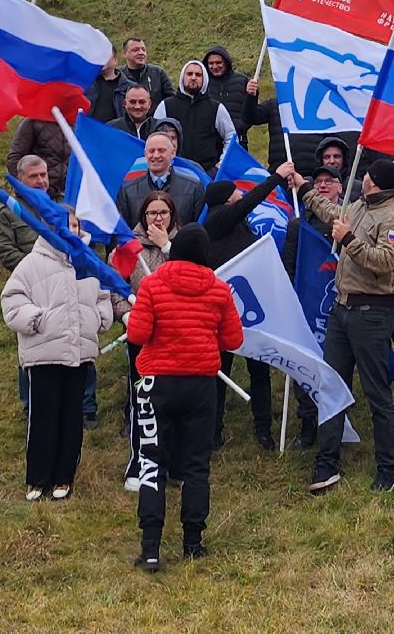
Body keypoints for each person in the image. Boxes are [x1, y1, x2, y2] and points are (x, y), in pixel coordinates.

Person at [282, 158, 394, 494]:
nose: (363, 177)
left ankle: (388, 468)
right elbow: (331, 212)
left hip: (373, 312)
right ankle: (327, 462)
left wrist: (350, 239)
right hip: (342, 309)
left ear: (377, 182)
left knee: (376, 392)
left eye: (367, 175)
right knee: (331, 387)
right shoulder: (359, 205)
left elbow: (385, 262)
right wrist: (304, 186)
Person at [126, 224, 243, 570]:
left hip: (156, 383)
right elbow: (233, 340)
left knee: (152, 463)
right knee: (196, 466)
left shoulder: (152, 284)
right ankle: (193, 542)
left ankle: (150, 548)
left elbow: (138, 334)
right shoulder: (219, 290)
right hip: (201, 385)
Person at [1, 211, 112, 501]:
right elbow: (12, 300)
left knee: (72, 416)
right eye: (63, 226)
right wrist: (37, 320)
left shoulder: (89, 262)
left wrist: (99, 319)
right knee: (43, 417)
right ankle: (37, 479)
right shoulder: (31, 263)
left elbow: (103, 297)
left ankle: (64, 477)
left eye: (74, 225)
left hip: (79, 352)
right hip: (43, 353)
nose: (70, 230)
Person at [201, 170, 290, 450]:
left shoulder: (234, 224)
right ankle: (214, 432)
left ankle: (263, 428)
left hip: (249, 311)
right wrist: (276, 178)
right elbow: (247, 203)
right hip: (225, 313)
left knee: (258, 370)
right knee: (221, 372)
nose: (240, 193)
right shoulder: (217, 219)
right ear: (227, 199)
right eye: (235, 191)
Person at [118, 191, 179, 492]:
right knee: (141, 399)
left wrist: (166, 246)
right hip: (141, 336)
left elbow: (192, 276)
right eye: (152, 213)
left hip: (176, 336)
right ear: (143, 216)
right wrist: (126, 315)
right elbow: (115, 286)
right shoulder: (128, 246)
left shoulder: (183, 244)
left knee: (174, 401)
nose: (157, 218)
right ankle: (139, 462)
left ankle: (174, 461)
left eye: (163, 213)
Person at [280, 166, 343, 450]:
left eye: (329, 181)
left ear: (341, 187)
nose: (323, 186)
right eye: (317, 182)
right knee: (303, 364)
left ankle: (335, 421)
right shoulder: (298, 224)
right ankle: (307, 422)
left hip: (340, 305)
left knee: (337, 365)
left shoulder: (348, 220)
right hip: (305, 304)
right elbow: (288, 267)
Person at [0, 155, 47, 415]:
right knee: (28, 344)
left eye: (43, 175)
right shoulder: (9, 211)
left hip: (63, 285)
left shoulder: (62, 205)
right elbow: (6, 251)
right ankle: (30, 405)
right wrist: (37, 269)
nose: (40, 181)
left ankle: (85, 407)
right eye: (33, 176)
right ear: (20, 180)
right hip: (28, 288)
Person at [155, 60, 235, 175]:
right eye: (189, 74)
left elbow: (231, 137)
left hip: (207, 173)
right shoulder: (166, 106)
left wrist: (220, 166)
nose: (193, 78)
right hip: (172, 172)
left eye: (198, 75)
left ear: (204, 78)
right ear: (183, 77)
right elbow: (154, 138)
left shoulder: (216, 107)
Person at [116, 132, 205, 228]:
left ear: (173, 153)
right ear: (145, 154)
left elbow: (198, 232)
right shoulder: (127, 190)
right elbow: (121, 233)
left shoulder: (193, 187)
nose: (156, 155)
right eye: (151, 151)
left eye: (161, 150)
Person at [202, 45, 266, 150]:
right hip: (210, 142)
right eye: (211, 63)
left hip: (238, 140)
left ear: (226, 62)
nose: (215, 66)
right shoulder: (203, 83)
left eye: (218, 63)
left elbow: (251, 111)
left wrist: (241, 126)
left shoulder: (242, 81)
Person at [6, 119, 68, 198]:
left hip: (67, 195)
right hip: (36, 194)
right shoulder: (32, 122)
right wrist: (24, 188)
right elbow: (14, 159)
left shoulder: (77, 124)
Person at [120, 36, 174, 107]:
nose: (141, 53)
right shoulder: (118, 75)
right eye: (136, 50)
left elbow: (171, 99)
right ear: (124, 53)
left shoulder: (158, 73)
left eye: (143, 49)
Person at [85, 50, 132, 123]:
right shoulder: (85, 84)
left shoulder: (130, 88)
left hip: (117, 132)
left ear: (115, 60)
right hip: (88, 130)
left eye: (105, 55)